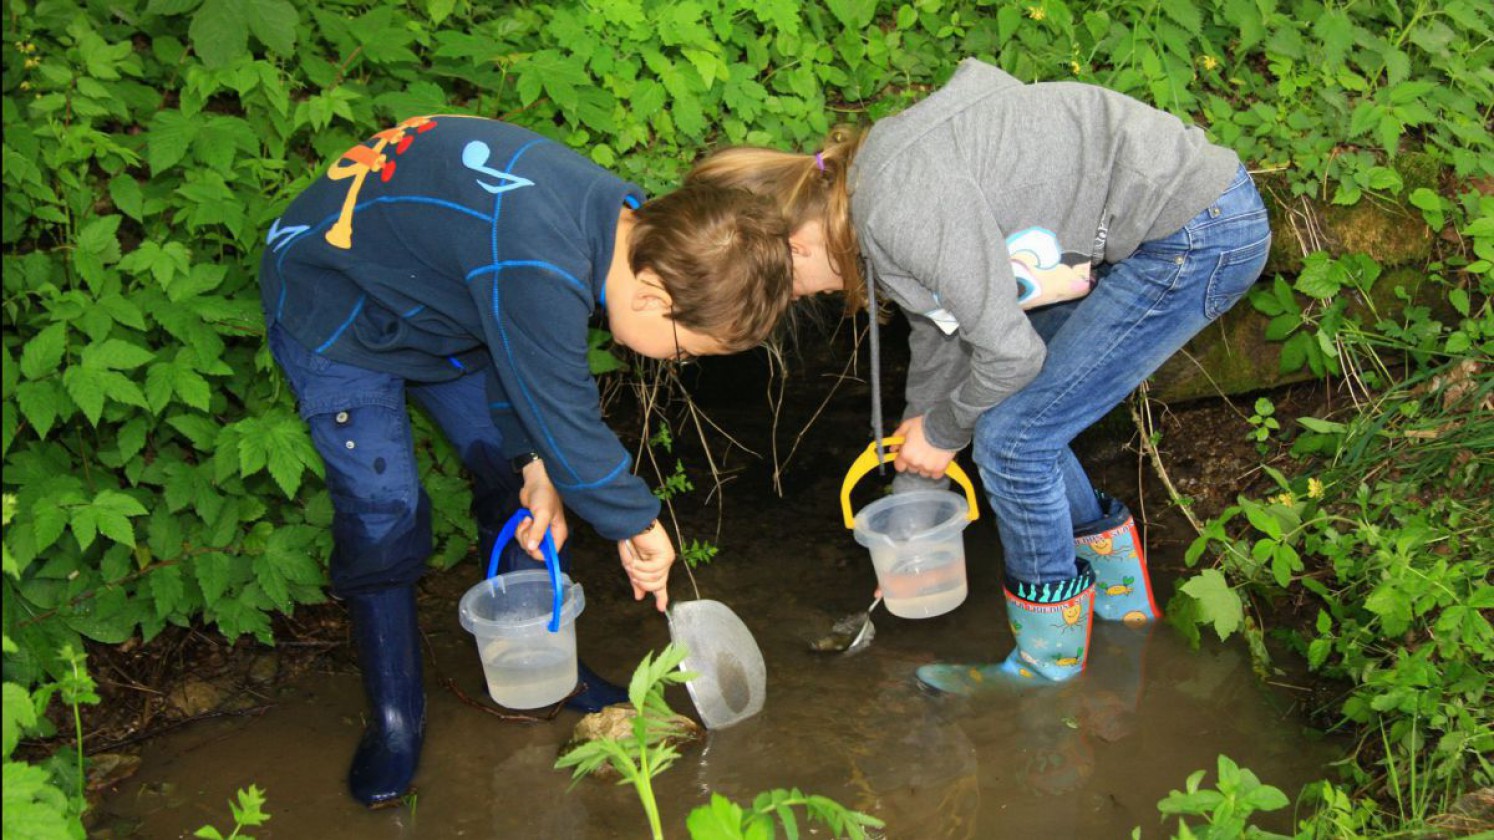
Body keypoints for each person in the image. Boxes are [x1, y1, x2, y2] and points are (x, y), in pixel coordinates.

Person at [688, 58, 1270, 691]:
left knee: (1015, 440)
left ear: (796, 245)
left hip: (1194, 232)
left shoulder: (899, 206)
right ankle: (1122, 609)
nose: (804, 298)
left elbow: (1011, 355)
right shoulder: (869, 201)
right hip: (1152, 228)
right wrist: (921, 441)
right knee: (1011, 412)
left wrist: (944, 433)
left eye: (790, 291)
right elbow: (940, 325)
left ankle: (1049, 666)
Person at [259, 115, 792, 806]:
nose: (681, 366)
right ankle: (396, 715)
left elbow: (529, 364)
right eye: (688, 351)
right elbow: (561, 409)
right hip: (337, 307)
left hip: (448, 306)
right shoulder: (539, 259)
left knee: (516, 480)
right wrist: (638, 522)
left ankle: (535, 663)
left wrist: (535, 462)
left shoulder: (624, 224)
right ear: (653, 297)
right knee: (384, 511)